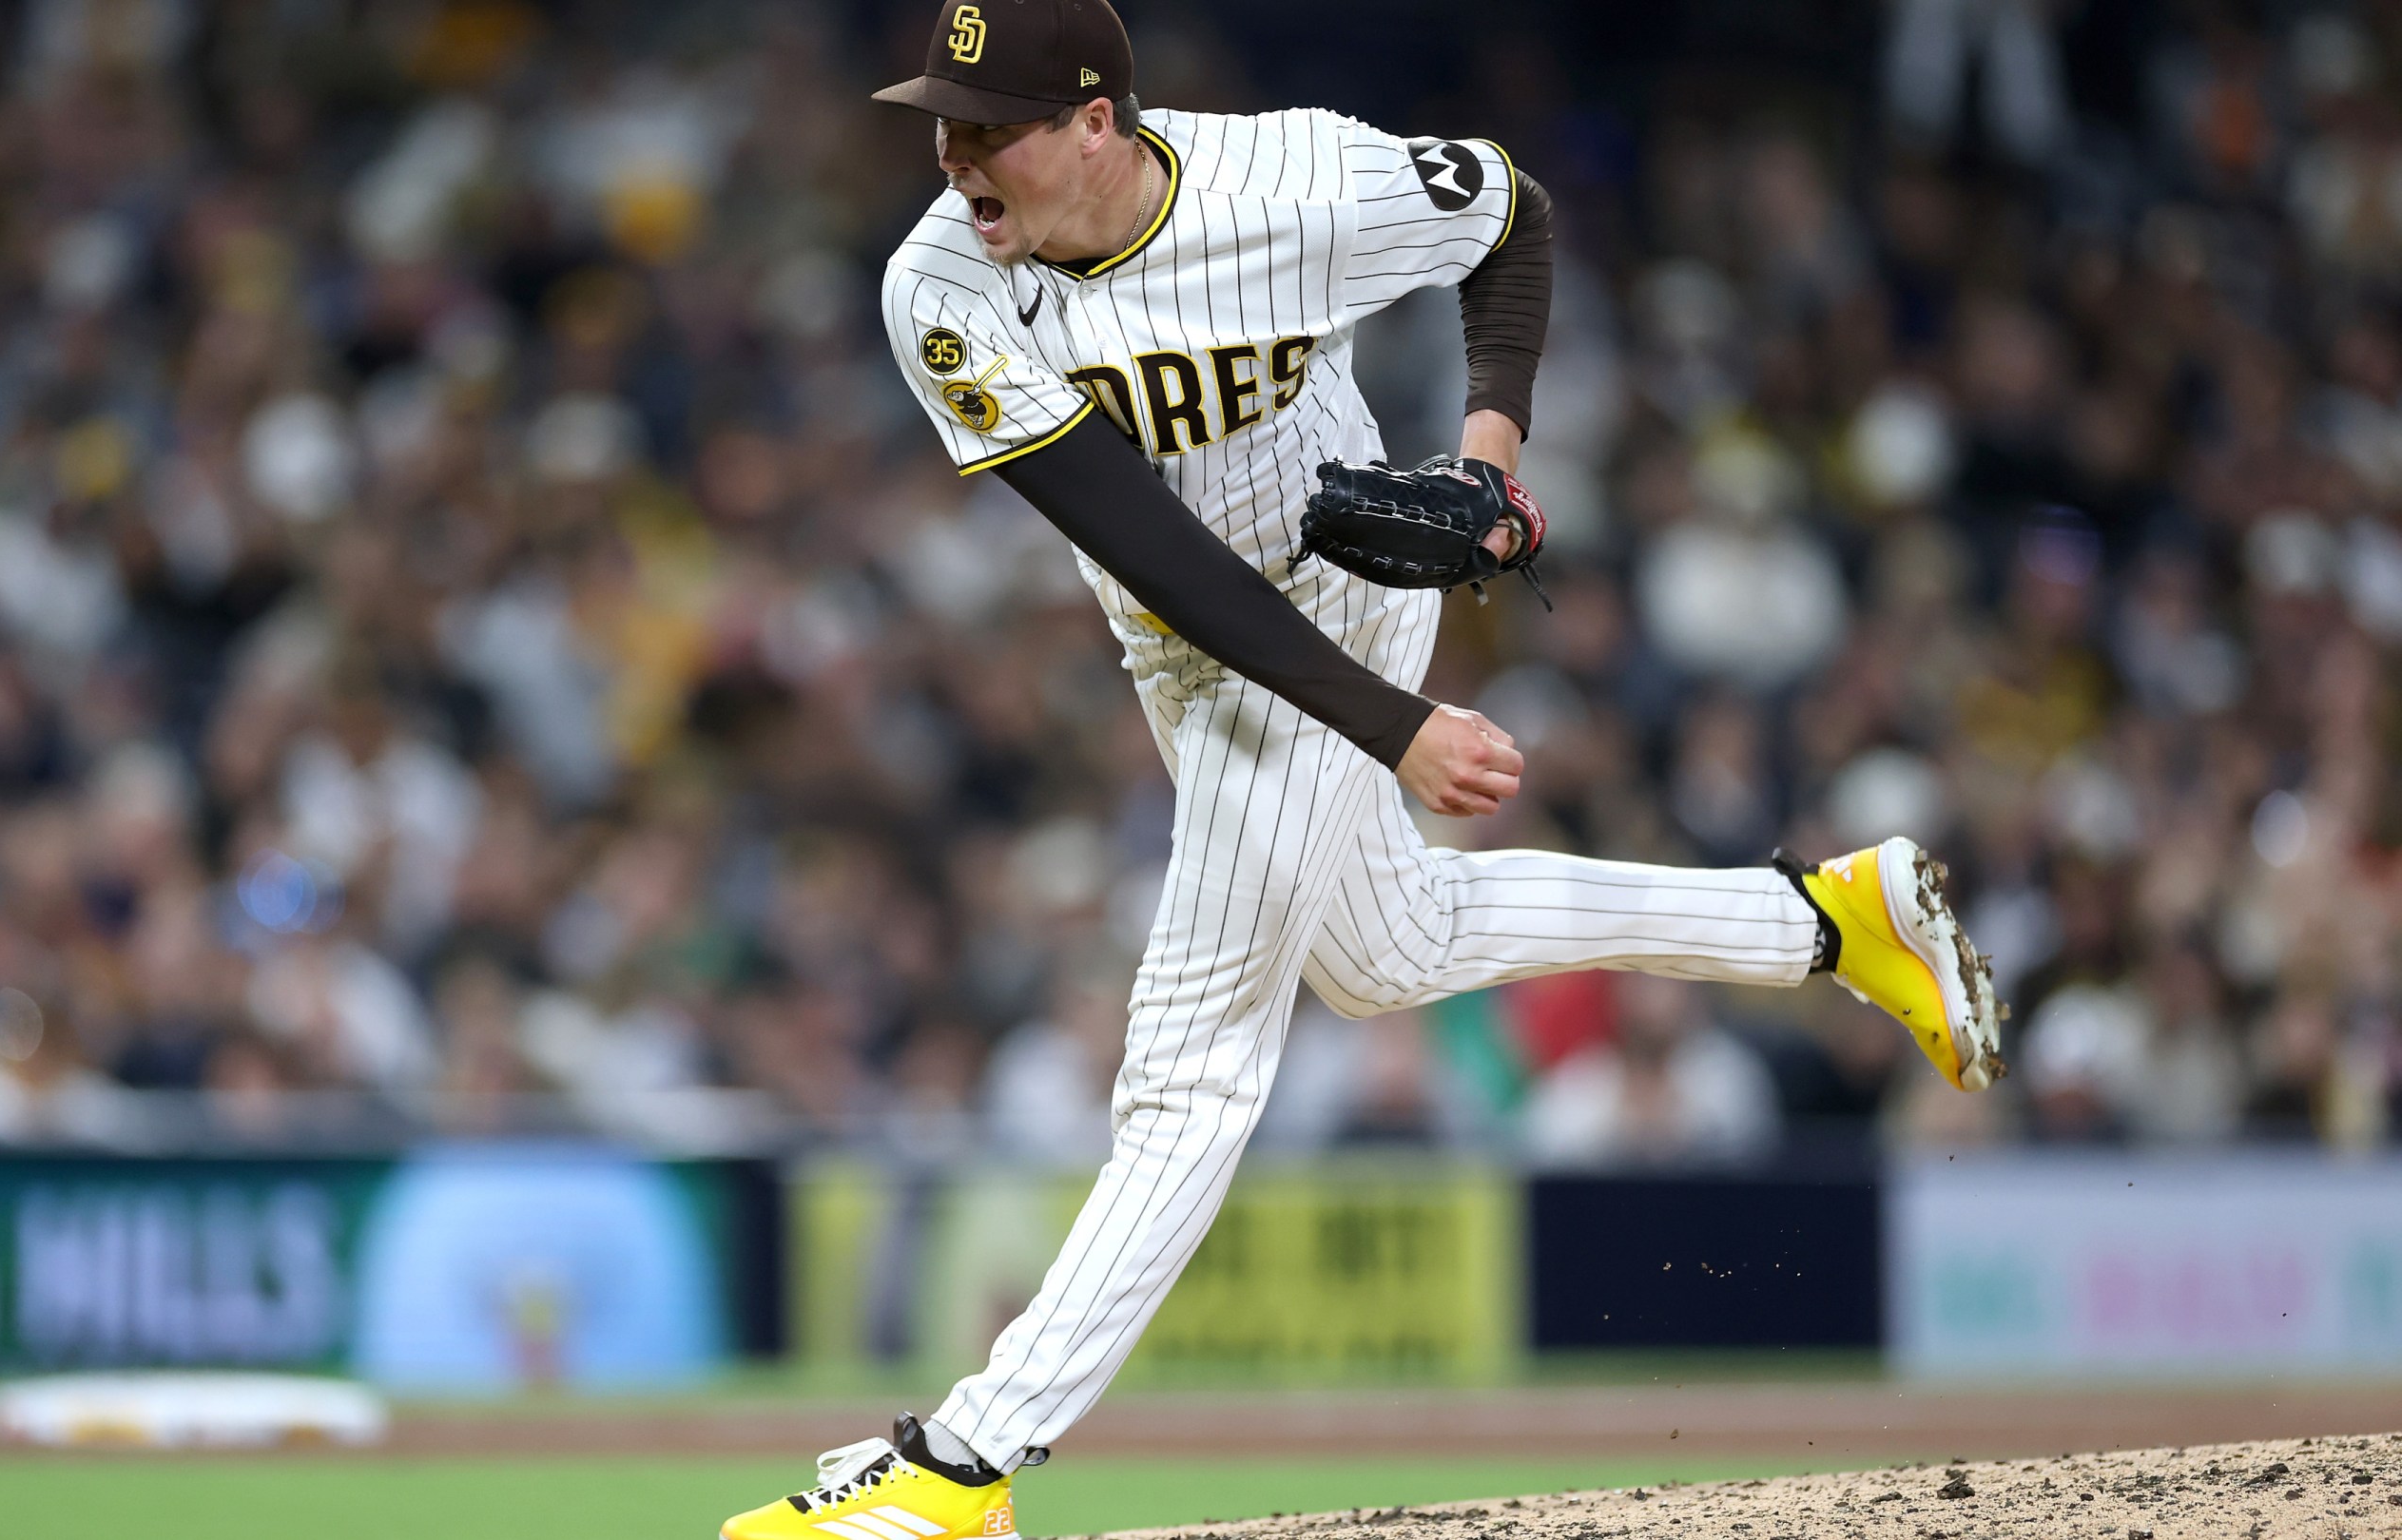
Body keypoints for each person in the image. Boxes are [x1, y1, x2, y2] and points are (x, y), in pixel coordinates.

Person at [722, 4, 2006, 1535]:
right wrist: (1392, 733)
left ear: (1095, 121)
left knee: (1192, 1061)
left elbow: (1510, 212)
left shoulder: (1294, 186)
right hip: (1189, 637)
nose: (952, 153)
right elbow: (1145, 546)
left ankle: (961, 1470)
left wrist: (1489, 456)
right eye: (942, 117)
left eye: (988, 122)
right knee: (1389, 950)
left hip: (1338, 588)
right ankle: (1826, 922)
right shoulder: (938, 282)